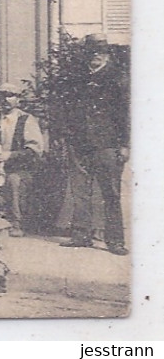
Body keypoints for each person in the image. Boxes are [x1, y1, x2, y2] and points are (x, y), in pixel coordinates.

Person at [61, 38, 129, 256]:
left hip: (107, 144)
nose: (94, 56)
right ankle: (81, 235)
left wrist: (125, 144)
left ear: (107, 54)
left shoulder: (118, 78)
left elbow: (125, 115)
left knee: (110, 192)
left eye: (99, 52)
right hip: (79, 142)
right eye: (91, 53)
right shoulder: (78, 78)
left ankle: (115, 240)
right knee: (80, 191)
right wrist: (68, 135)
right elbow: (66, 108)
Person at [0, 81, 45, 235]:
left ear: (18, 100)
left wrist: (10, 156)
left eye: (10, 96)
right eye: (2, 96)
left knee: (13, 180)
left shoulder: (26, 120)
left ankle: (16, 223)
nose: (5, 100)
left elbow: (34, 150)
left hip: (20, 167)